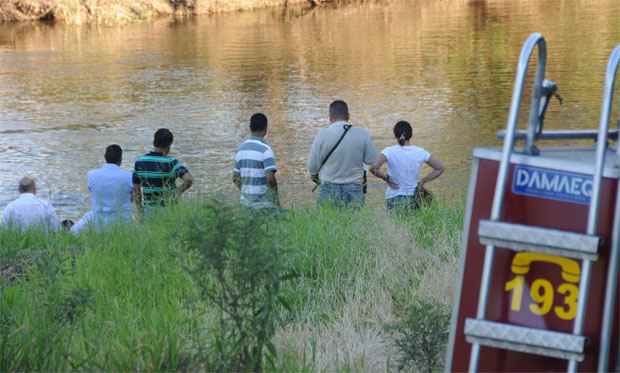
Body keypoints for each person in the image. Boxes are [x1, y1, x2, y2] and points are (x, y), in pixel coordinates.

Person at [308, 100, 378, 207]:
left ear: (330, 117)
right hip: (354, 188)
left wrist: (315, 177)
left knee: (327, 223)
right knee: (354, 222)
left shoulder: (322, 134)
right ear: (348, 116)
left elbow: (312, 166)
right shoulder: (362, 133)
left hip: (328, 187)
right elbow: (372, 160)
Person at [370, 120, 444, 210]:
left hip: (393, 197)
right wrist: (423, 181)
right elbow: (440, 168)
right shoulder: (420, 152)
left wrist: (387, 178)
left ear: (395, 135)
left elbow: (373, 168)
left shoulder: (389, 151)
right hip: (413, 198)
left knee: (394, 224)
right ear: (410, 135)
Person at [71, 144, 133, 234]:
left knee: (73, 231)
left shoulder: (91, 174)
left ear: (105, 157)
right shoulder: (129, 176)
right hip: (122, 220)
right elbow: (132, 198)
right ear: (121, 159)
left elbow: (92, 191)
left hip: (98, 219)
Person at [133, 128, 193, 213]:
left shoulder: (139, 162)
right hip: (169, 210)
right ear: (169, 145)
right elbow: (189, 179)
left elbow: (136, 192)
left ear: (154, 142)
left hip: (148, 211)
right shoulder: (171, 162)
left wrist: (140, 211)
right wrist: (177, 193)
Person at [233, 113, 280, 209]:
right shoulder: (266, 150)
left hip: (245, 204)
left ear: (250, 128)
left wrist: (246, 192)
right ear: (265, 128)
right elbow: (270, 178)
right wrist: (275, 198)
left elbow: (235, 178)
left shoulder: (240, 149)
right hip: (264, 205)